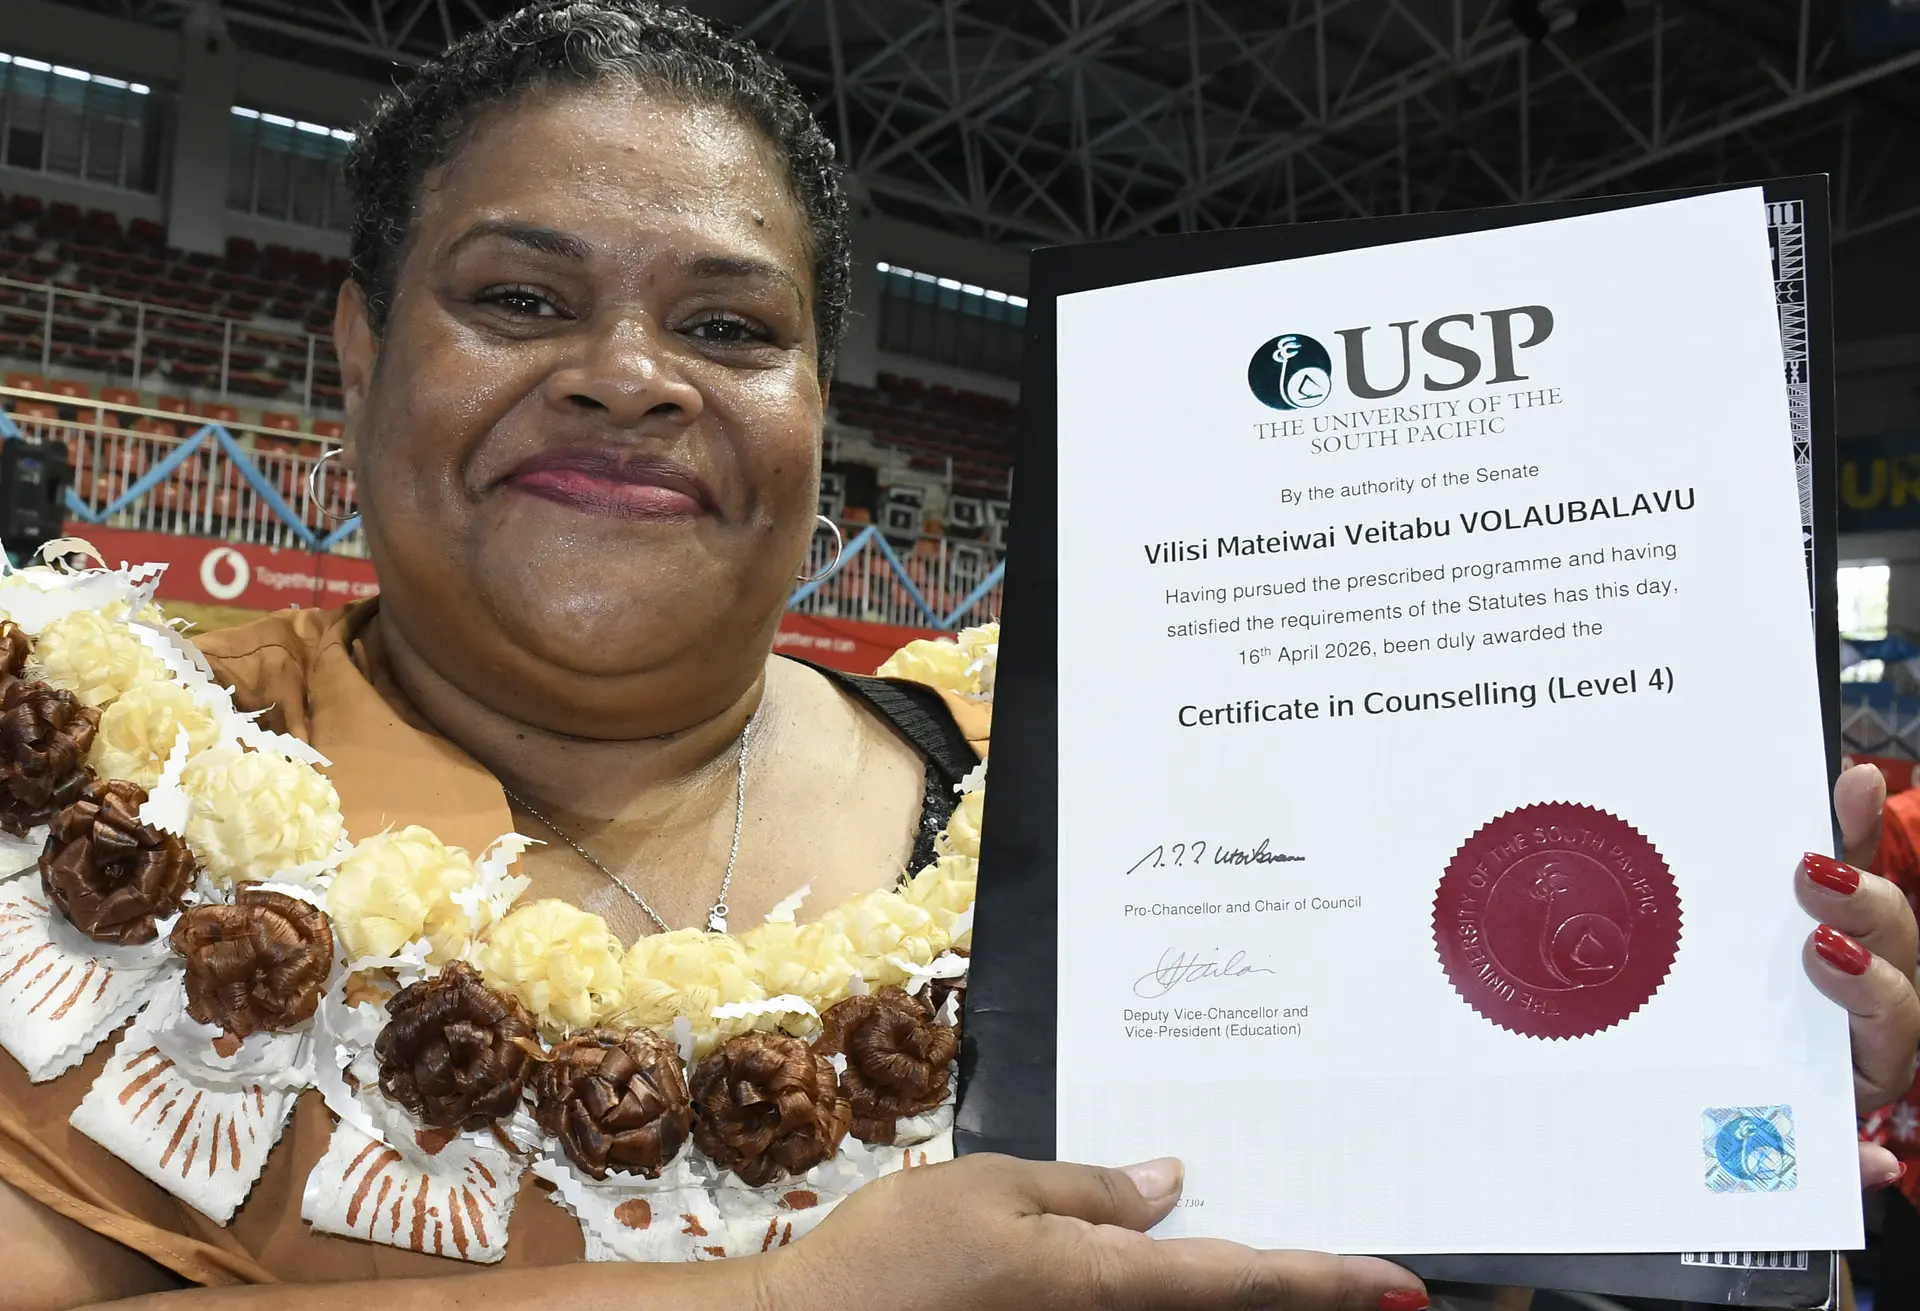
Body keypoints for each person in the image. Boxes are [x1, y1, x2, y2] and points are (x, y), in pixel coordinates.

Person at [0, 5, 1912, 1309]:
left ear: (827, 401)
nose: (630, 376)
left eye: (732, 328)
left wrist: (1720, 1068)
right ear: (355, 354)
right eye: (518, 299)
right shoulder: (70, 809)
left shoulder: (1088, 819)